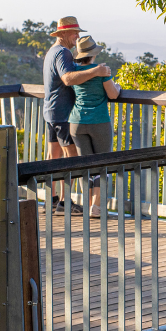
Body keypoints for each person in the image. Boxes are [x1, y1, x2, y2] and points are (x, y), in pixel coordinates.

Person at [43, 16, 110, 211]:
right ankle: (65, 202)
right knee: (71, 157)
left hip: (50, 110)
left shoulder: (51, 52)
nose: (77, 36)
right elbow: (68, 79)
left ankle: (52, 199)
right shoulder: (63, 53)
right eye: (74, 32)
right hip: (63, 112)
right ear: (63, 34)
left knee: (53, 156)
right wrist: (96, 71)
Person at [68, 35, 122, 217]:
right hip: (99, 121)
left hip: (76, 122)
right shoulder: (102, 72)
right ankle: (96, 207)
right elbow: (113, 94)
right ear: (93, 54)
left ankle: (87, 203)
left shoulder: (75, 72)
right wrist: (119, 88)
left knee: (86, 165)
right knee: (102, 166)